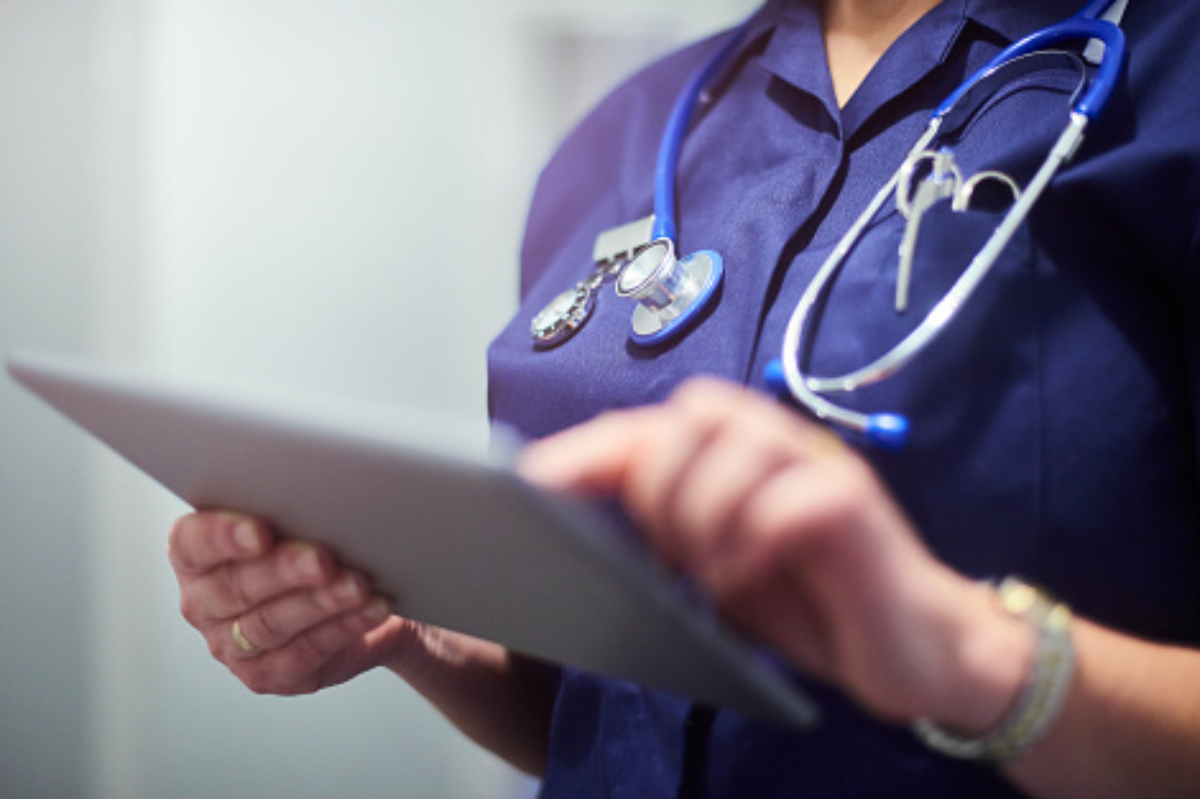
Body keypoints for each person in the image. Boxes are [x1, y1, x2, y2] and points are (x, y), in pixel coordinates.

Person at [167, 0, 1200, 795]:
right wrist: (409, 633)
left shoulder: (1172, 75)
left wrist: (976, 658)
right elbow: (607, 706)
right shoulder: (629, 129)